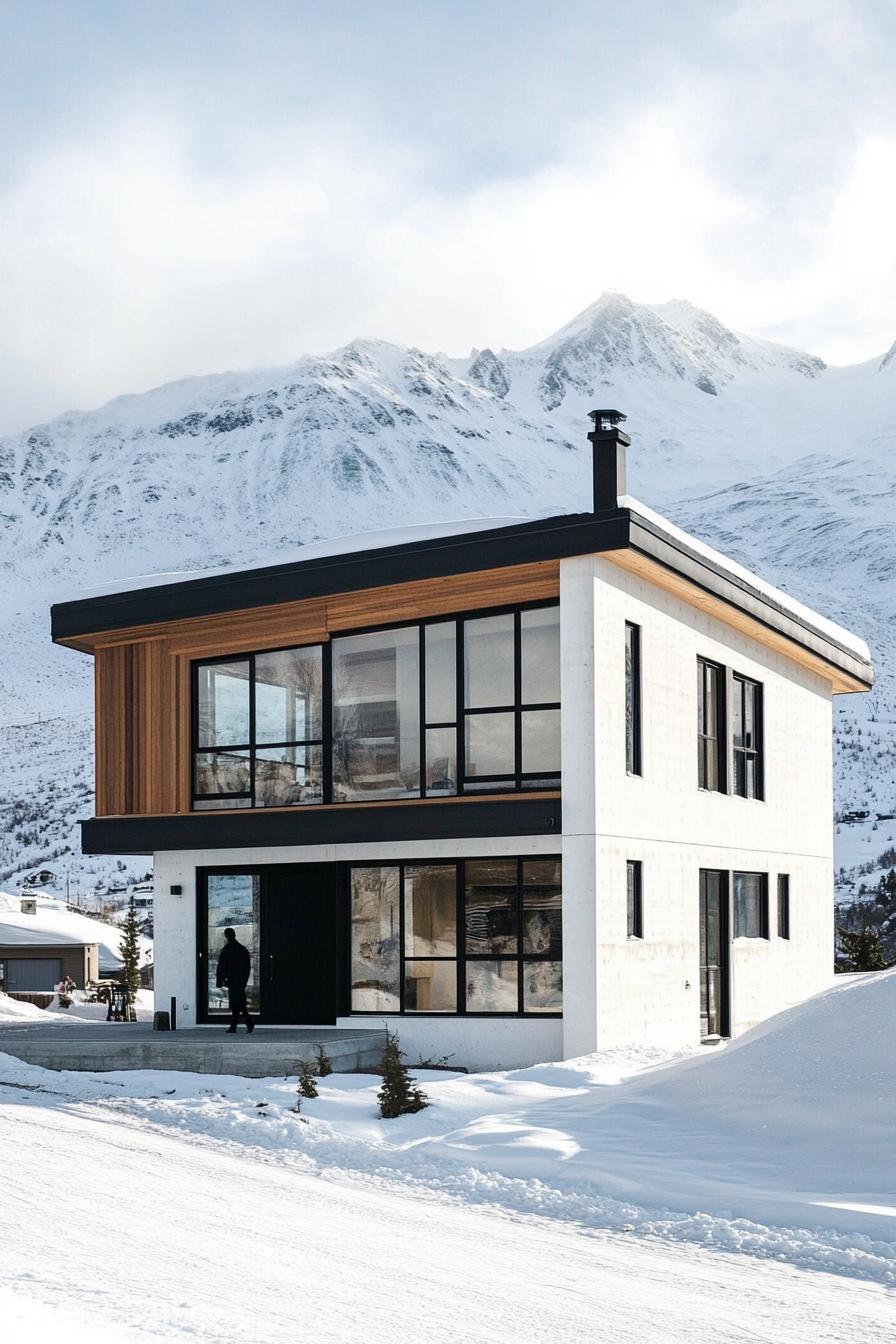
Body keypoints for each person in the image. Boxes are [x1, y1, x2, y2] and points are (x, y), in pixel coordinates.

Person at [215, 927, 255, 1033]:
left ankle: (242, 1023)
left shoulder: (227, 949)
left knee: (236, 1003)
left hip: (232, 980)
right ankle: (241, 1024)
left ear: (226, 936)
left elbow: (222, 966)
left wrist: (221, 979)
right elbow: (247, 967)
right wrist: (244, 980)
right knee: (238, 1003)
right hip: (239, 980)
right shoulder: (242, 949)